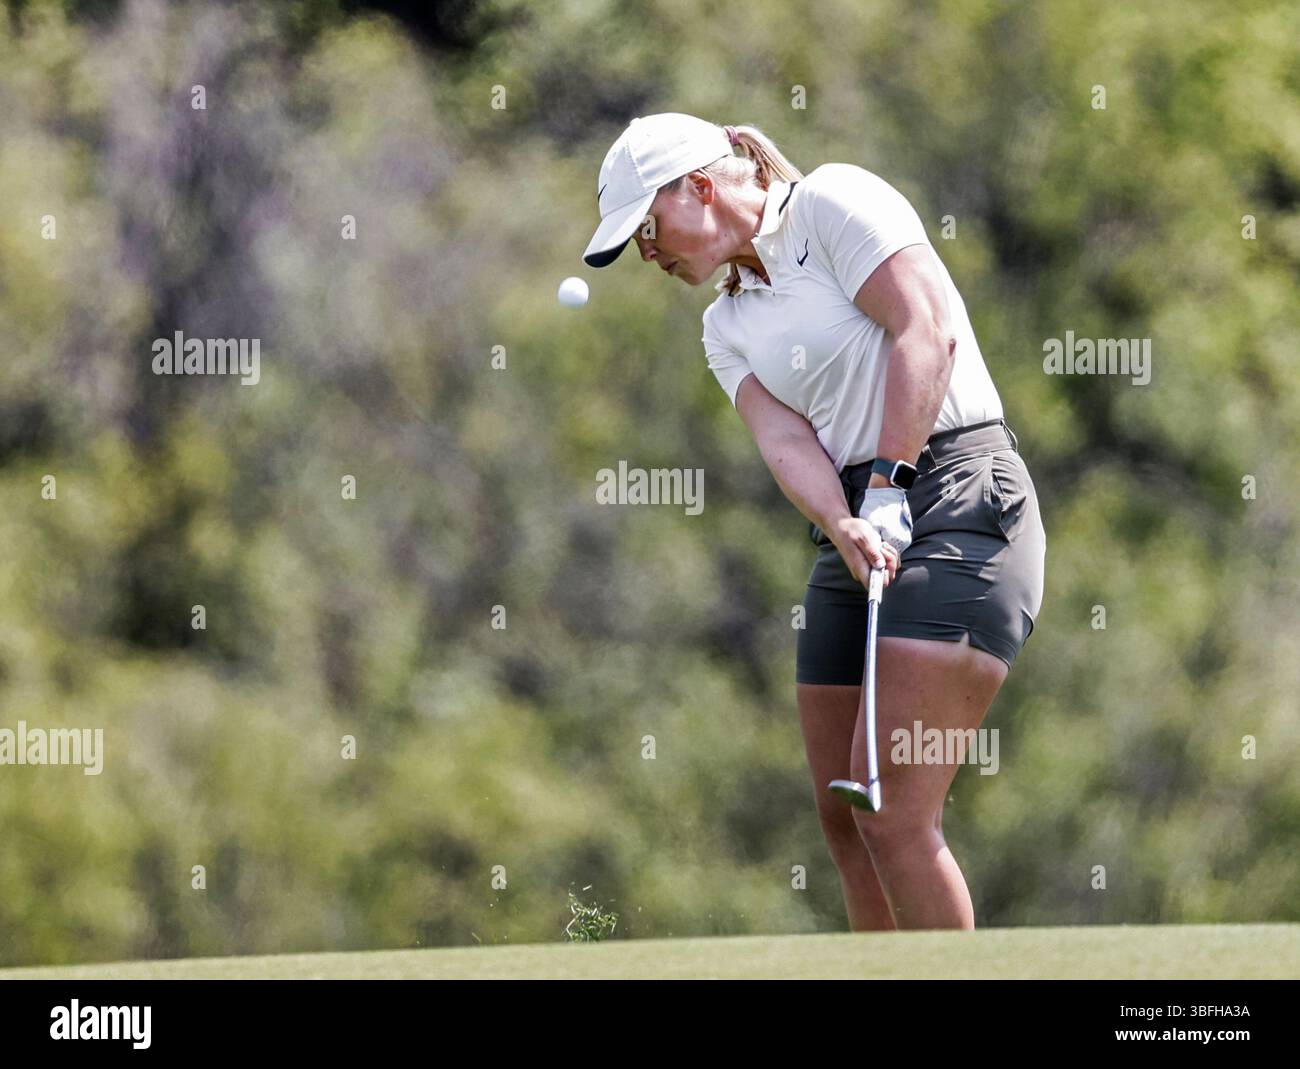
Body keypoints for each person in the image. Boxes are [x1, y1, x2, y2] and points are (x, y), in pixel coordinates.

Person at [582, 113, 1045, 931]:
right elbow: (784, 439)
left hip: (962, 496)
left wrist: (892, 480)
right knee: (845, 820)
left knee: (891, 809)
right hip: (858, 522)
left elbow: (925, 330)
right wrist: (842, 519)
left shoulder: (832, 203)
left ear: (700, 185)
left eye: (648, 229)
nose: (647, 254)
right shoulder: (724, 326)